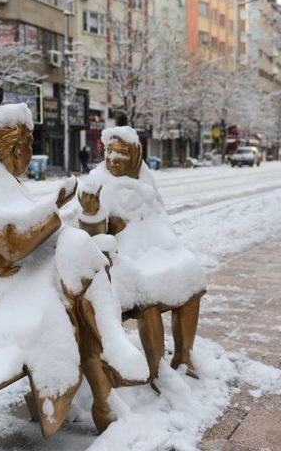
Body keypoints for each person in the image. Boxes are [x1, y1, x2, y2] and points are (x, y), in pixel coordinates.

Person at [0, 104, 146, 435]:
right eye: (30, 146)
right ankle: (111, 353)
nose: (31, 154)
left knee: (76, 267)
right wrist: (55, 203)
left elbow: (20, 230)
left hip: (16, 279)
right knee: (75, 266)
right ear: (17, 147)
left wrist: (60, 213)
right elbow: (13, 240)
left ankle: (105, 391)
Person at [77, 126, 206, 385]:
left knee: (190, 280)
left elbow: (161, 220)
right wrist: (91, 213)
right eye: (110, 152)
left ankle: (183, 357)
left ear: (135, 155)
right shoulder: (98, 185)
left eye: (122, 153)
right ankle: (156, 369)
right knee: (150, 299)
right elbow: (94, 238)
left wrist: (170, 246)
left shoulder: (145, 181)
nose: (113, 158)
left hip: (155, 250)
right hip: (123, 261)